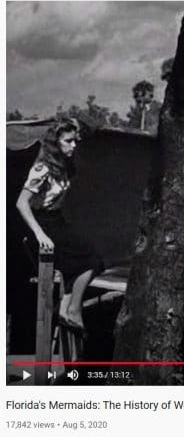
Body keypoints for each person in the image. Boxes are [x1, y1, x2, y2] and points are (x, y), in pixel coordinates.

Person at [16, 118, 104, 332]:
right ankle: (73, 309)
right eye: (68, 141)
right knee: (92, 260)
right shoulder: (42, 167)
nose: (74, 145)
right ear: (55, 142)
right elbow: (21, 203)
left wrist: (74, 126)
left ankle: (65, 307)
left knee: (86, 262)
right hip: (42, 222)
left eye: (75, 141)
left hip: (57, 220)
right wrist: (40, 235)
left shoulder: (64, 164)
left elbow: (88, 132)